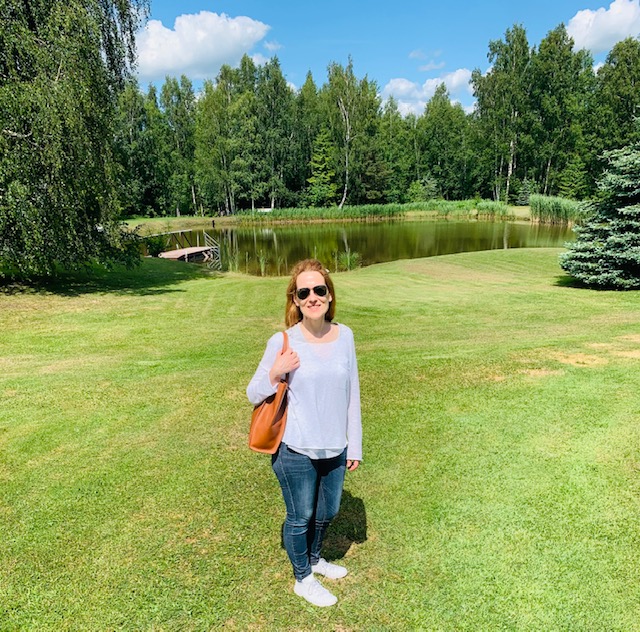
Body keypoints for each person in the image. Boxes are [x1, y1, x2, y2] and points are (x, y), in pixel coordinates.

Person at [247, 259, 362, 607]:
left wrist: (354, 445)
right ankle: (303, 579)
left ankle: (314, 559)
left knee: (328, 511)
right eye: (304, 292)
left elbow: (352, 393)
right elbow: (253, 392)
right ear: (295, 300)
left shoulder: (346, 336)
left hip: (336, 446)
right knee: (301, 517)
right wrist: (276, 372)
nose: (313, 297)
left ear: (329, 295)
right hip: (295, 448)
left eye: (319, 290)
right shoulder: (283, 341)